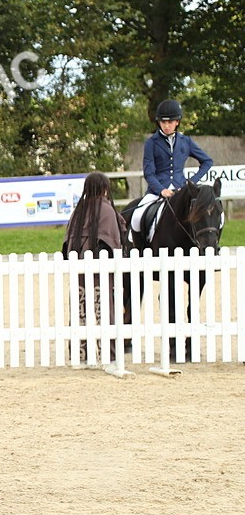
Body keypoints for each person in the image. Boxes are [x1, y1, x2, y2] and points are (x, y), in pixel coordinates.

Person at [63, 172, 127, 364]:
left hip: (79, 267)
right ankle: (109, 354)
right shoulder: (107, 210)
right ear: (104, 188)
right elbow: (117, 238)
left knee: (80, 309)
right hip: (100, 267)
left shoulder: (78, 211)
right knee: (104, 309)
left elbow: (67, 242)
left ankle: (80, 354)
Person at [129, 99, 214, 237]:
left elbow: (207, 161)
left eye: (170, 122)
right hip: (156, 191)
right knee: (137, 217)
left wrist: (190, 183)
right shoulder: (151, 143)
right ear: (159, 122)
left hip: (181, 190)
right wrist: (161, 190)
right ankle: (140, 248)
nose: (166, 126)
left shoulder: (186, 141)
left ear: (177, 122)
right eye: (163, 122)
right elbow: (149, 173)